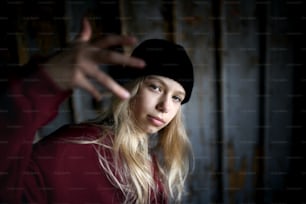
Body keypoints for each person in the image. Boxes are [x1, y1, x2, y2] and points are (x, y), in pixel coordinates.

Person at [0, 17, 194, 204]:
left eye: (176, 98)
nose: (165, 106)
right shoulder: (77, 145)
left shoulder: (154, 172)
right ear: (130, 88)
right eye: (155, 87)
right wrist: (42, 85)